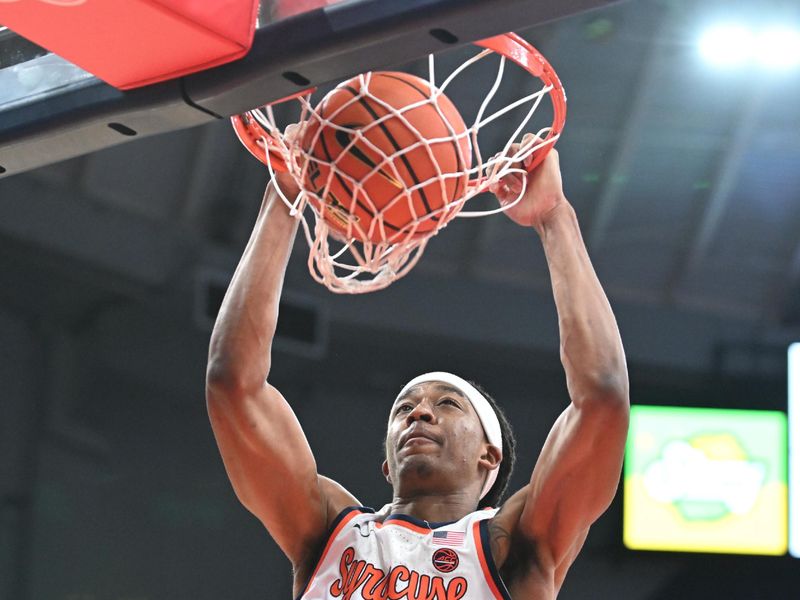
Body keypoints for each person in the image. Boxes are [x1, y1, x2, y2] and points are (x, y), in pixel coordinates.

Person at [205, 134, 629, 599]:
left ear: (490, 456)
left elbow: (602, 399)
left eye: (447, 403)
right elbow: (233, 383)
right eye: (404, 408)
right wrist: (284, 192)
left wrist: (554, 217)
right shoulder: (330, 528)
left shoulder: (512, 546)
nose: (418, 414)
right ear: (387, 464)